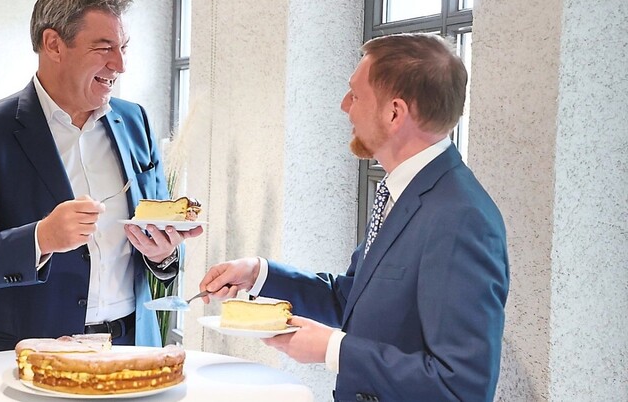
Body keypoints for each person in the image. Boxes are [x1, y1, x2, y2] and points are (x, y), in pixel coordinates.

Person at [199, 33, 509, 401]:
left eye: (356, 95)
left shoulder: (462, 218)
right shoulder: (402, 191)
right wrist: (258, 273)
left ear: (395, 113)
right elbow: (352, 301)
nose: (344, 106)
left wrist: (335, 350)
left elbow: (462, 386)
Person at [0, 0, 202, 357]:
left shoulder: (135, 121)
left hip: (130, 350)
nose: (119, 64)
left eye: (122, 48)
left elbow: (157, 231)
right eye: (104, 48)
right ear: (53, 44)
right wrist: (39, 239)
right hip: (23, 357)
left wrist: (163, 254)